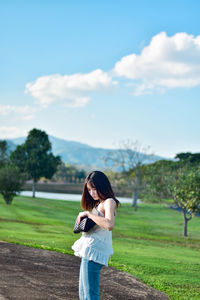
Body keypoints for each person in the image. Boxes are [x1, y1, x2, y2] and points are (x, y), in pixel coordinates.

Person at [72, 170, 120, 300]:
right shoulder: (99, 203)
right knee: (84, 295)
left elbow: (109, 224)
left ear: (102, 186)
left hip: (93, 252)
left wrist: (88, 214)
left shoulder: (109, 202)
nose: (92, 193)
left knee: (89, 296)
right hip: (90, 251)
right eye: (89, 190)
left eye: (94, 189)